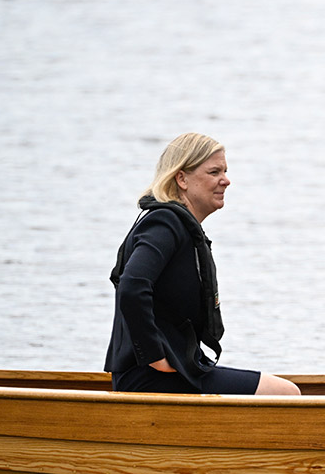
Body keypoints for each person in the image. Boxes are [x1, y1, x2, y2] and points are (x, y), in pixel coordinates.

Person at [105, 133, 301, 395]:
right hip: (149, 378)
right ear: (182, 178)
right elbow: (131, 286)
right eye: (214, 172)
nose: (226, 180)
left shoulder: (179, 225)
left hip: (177, 370)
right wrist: (154, 356)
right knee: (285, 393)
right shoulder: (164, 224)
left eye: (225, 171)